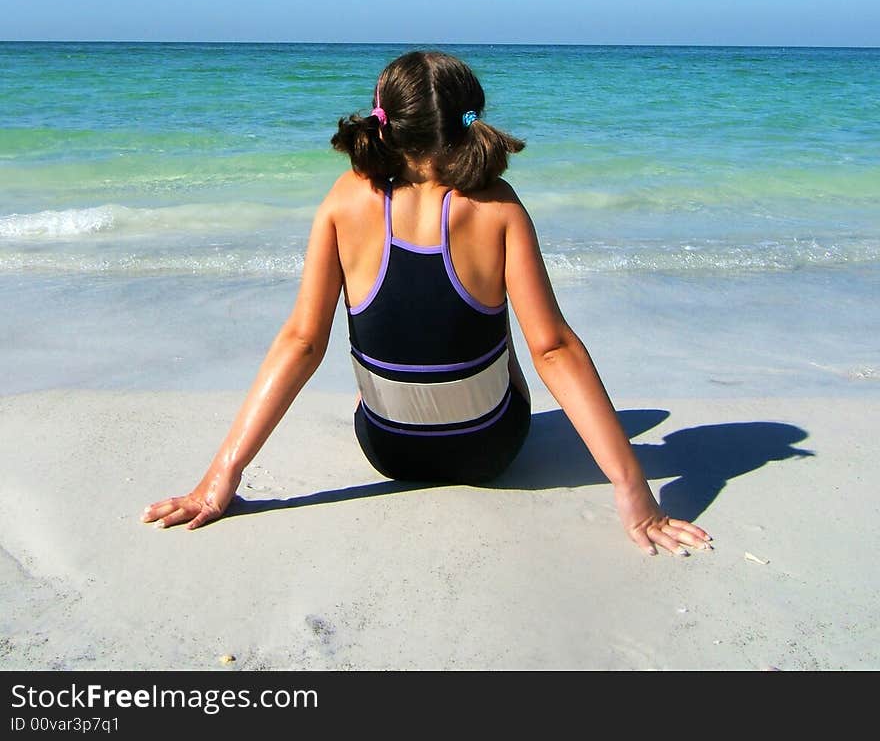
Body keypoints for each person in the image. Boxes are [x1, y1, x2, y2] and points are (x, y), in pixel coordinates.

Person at [142, 50, 712, 557]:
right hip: (491, 452)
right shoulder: (498, 207)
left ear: (384, 121)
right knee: (507, 327)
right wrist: (635, 493)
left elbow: (302, 343)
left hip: (388, 451)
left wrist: (221, 476)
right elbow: (556, 350)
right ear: (470, 121)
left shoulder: (345, 200)